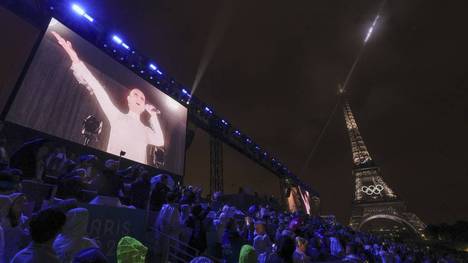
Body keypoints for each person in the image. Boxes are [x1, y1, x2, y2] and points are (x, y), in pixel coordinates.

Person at [51, 31, 164, 165]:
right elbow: (97, 88)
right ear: (128, 99)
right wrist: (75, 58)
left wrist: (153, 116)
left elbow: (160, 141)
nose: (139, 98)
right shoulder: (117, 116)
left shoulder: (146, 130)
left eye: (142, 98)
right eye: (135, 94)